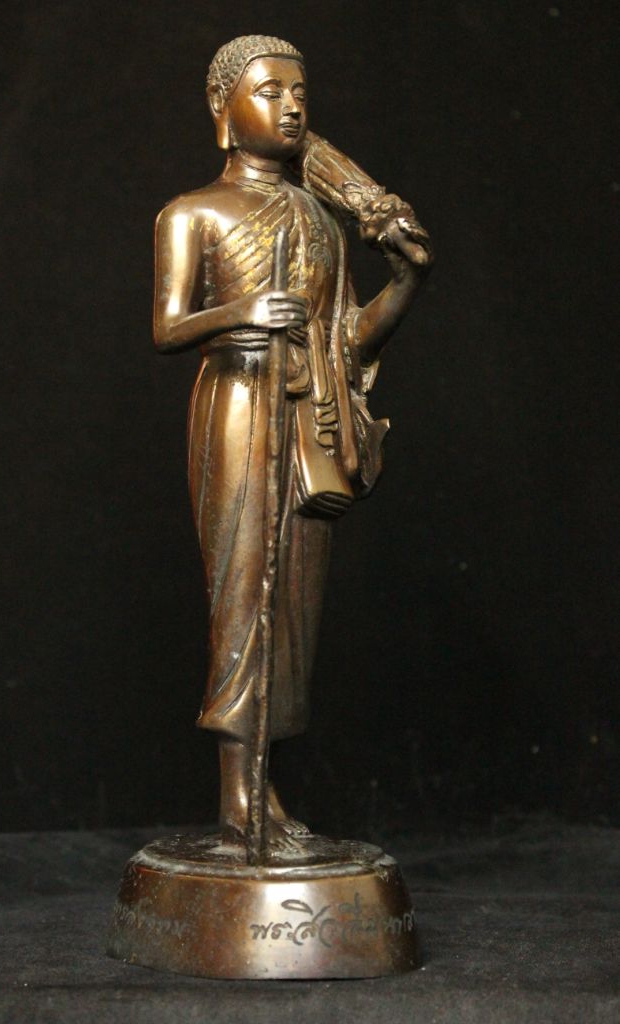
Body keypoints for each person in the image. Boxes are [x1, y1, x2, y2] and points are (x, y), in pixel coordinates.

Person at [153, 35, 432, 850]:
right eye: (270, 92)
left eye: (300, 94)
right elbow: (167, 326)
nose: (291, 108)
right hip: (238, 406)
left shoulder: (319, 219)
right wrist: (239, 313)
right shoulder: (193, 212)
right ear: (223, 108)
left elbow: (348, 340)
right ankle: (237, 797)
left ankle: (264, 790)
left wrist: (408, 280)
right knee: (244, 592)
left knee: (293, 605)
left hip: (309, 416)